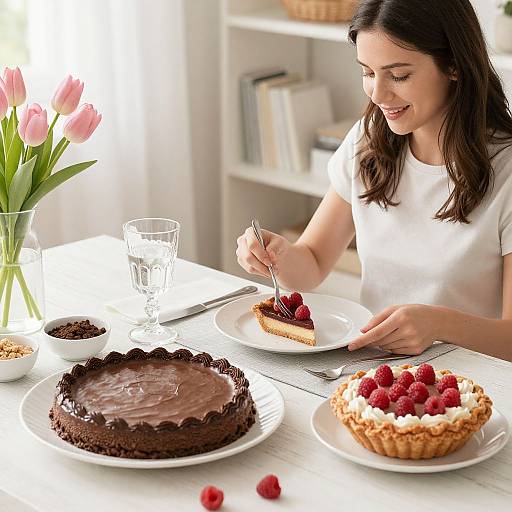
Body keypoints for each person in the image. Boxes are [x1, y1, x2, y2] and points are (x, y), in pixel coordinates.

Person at [235, 0, 512, 362]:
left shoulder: (505, 168)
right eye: (368, 72)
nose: (378, 95)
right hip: (372, 372)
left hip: (473, 387)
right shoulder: (369, 138)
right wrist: (278, 257)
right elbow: (314, 262)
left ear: (454, 65)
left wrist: (438, 325)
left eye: (398, 75)